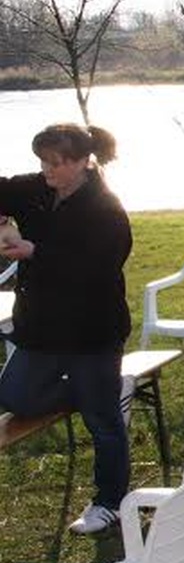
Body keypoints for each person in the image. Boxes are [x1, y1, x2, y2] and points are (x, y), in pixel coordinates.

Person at [0, 124, 133, 534]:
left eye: (55, 163)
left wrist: (34, 252)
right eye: (42, 161)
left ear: (81, 162)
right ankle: (91, 391)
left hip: (92, 332)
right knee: (14, 396)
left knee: (103, 422)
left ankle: (109, 502)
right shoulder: (37, 189)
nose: (46, 170)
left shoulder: (106, 210)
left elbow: (95, 268)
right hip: (41, 330)